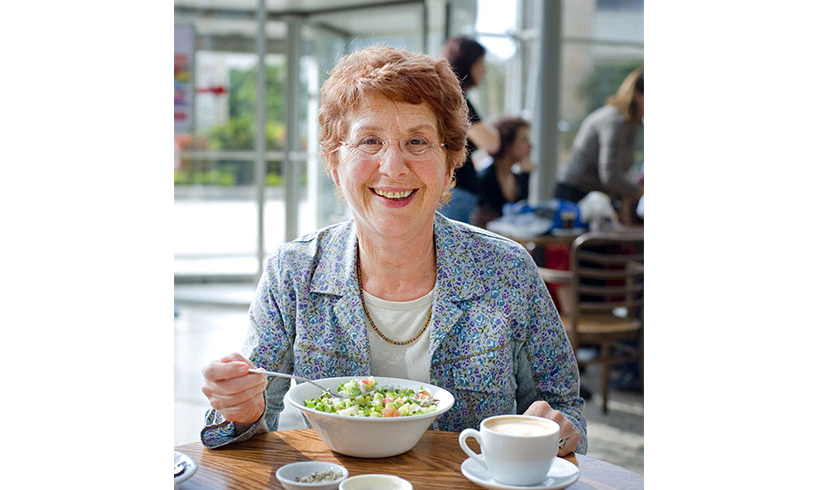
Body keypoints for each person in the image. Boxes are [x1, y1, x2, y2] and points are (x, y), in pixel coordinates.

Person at [199, 45, 586, 456]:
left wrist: (557, 431)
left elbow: (564, 411)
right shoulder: (294, 272)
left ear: (451, 161)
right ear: (334, 160)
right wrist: (238, 410)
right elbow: (245, 429)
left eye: (417, 141)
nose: (393, 166)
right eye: (369, 140)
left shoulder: (506, 270)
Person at [556, 67, 644, 219]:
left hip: (595, 199)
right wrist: (640, 192)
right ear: (637, 94)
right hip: (576, 198)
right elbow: (611, 175)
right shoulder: (614, 121)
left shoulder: (631, 126)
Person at [437, 36, 500, 224]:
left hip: (455, 189)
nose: (484, 70)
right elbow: (491, 143)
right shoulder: (456, 98)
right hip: (456, 191)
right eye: (480, 63)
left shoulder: (449, 96)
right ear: (468, 64)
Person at [473, 115, 535, 228]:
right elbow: (502, 214)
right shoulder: (485, 177)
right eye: (524, 139)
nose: (530, 145)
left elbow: (521, 212)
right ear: (508, 143)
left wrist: (526, 175)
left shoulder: (516, 177)